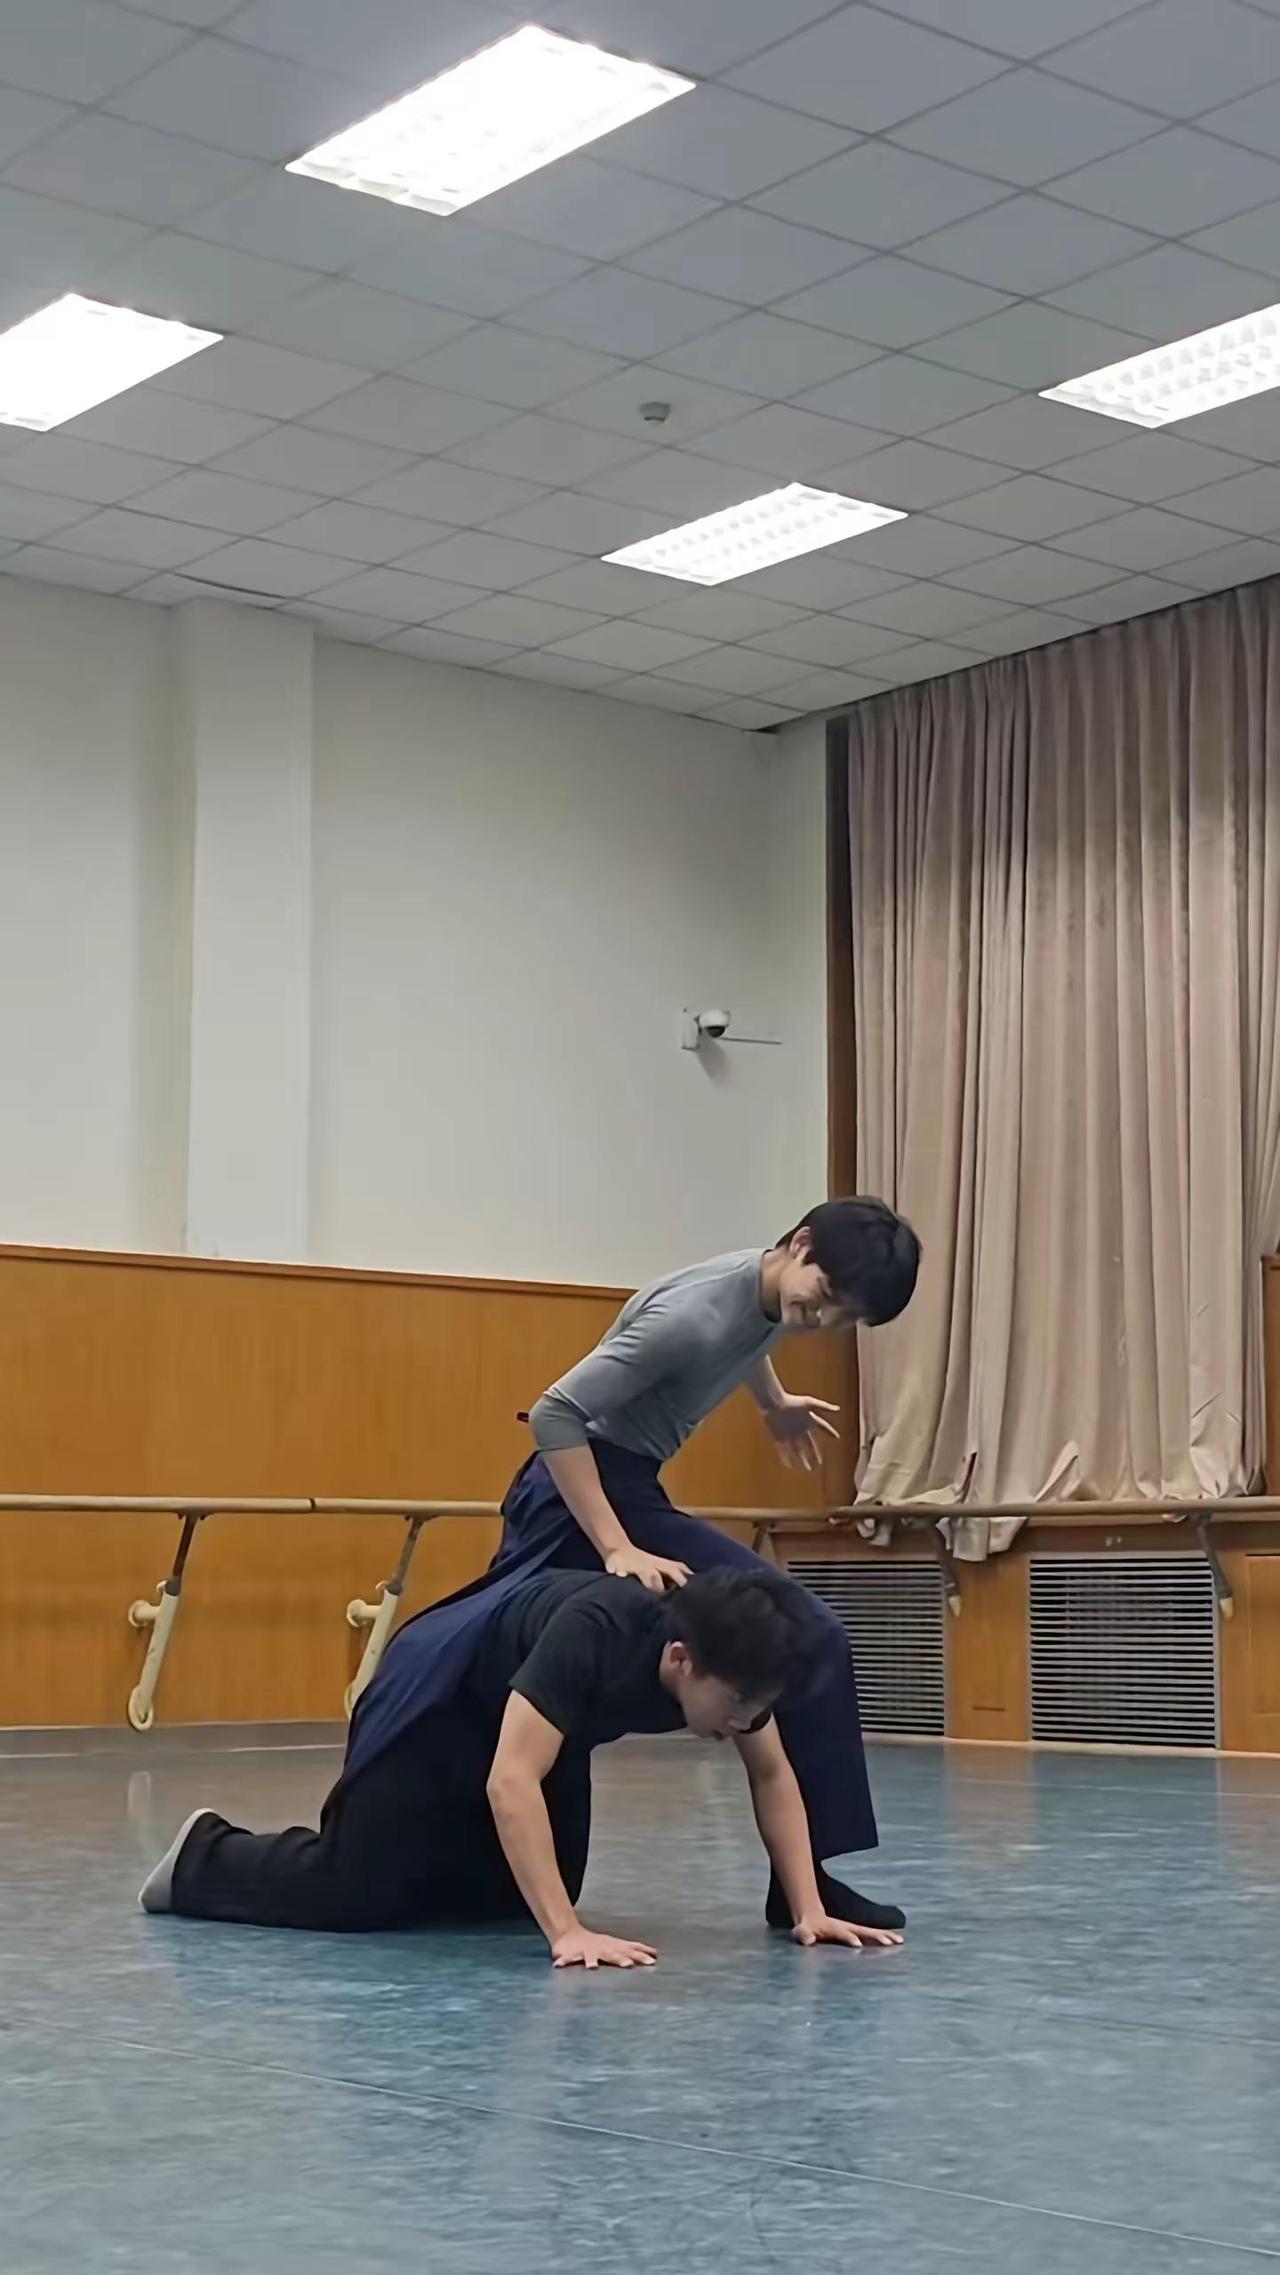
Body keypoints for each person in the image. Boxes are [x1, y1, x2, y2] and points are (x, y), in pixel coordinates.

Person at [492, 1196, 921, 1935]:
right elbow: (555, 1413)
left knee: (801, 1635)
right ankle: (804, 1886)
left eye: (843, 1318)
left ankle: (805, 1887)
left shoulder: (768, 1289)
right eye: (824, 1298)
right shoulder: (689, 1315)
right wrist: (614, 1544)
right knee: (810, 1630)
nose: (820, 1320)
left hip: (628, 1482)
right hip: (576, 1491)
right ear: (800, 1242)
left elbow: (748, 1334)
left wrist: (773, 1401)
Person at [138, 1564, 903, 1969]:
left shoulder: (733, 1668)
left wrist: (807, 1906)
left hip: (540, 1721)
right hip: (439, 1695)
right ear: (680, 1658)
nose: (744, 1722)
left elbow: (772, 1774)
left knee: (521, 1891)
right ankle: (205, 1854)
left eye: (757, 1707)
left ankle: (442, 1873)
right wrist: (566, 1933)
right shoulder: (595, 1633)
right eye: (737, 1704)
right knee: (355, 1891)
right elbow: (510, 1778)